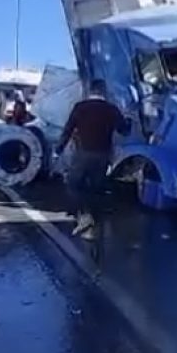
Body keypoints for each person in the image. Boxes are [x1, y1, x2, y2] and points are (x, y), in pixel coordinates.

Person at [55, 79, 131, 239]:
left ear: (91, 91)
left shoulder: (80, 108)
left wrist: (58, 149)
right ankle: (94, 221)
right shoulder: (111, 109)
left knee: (74, 183)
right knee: (97, 187)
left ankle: (83, 214)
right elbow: (124, 131)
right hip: (103, 154)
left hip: (83, 153)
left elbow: (68, 130)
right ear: (104, 92)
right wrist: (128, 120)